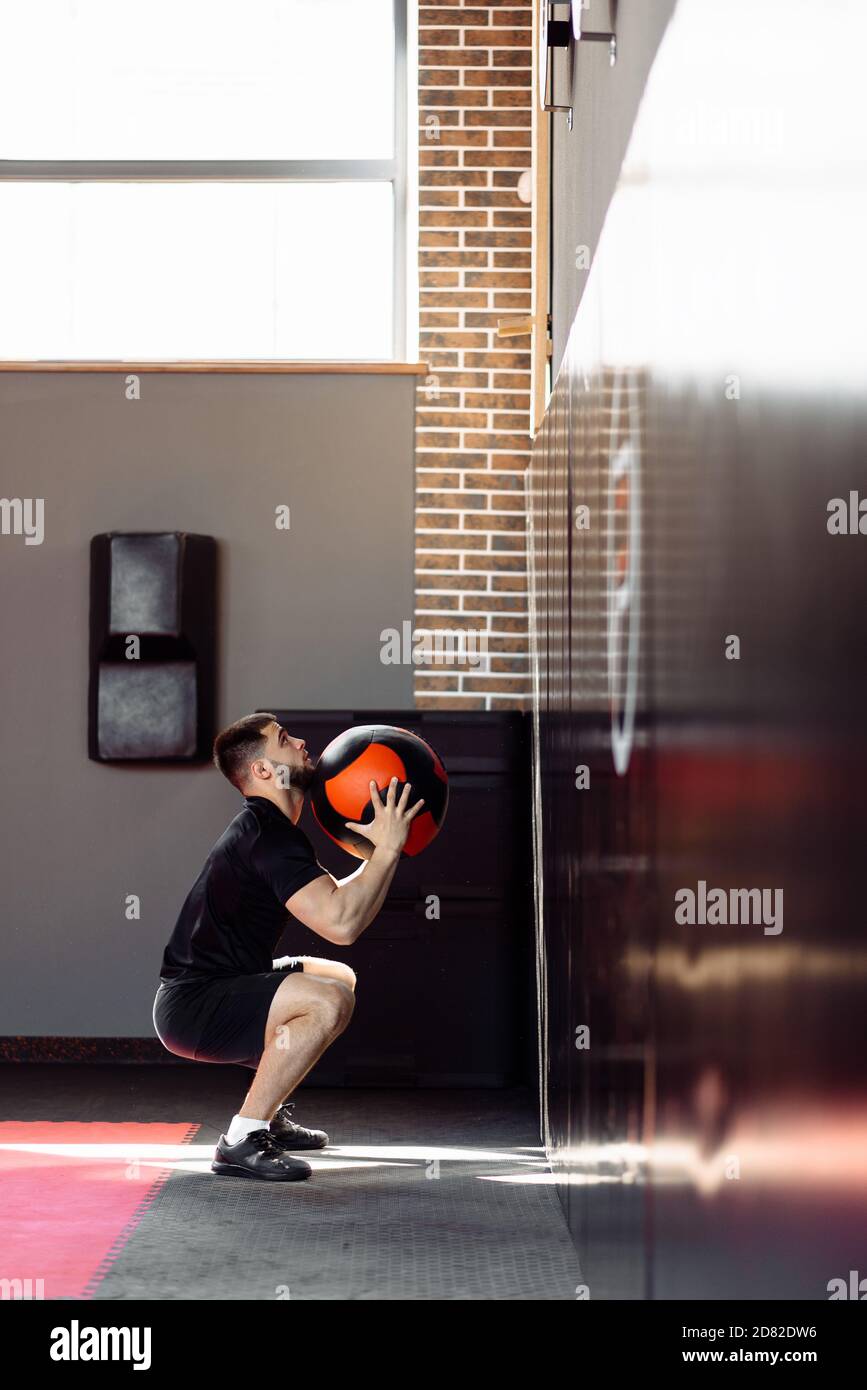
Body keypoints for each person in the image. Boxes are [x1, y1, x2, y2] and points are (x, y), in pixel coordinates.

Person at [152, 712, 424, 1182]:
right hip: (193, 1006)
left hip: (223, 984)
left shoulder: (271, 830)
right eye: (284, 740)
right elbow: (341, 923)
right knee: (328, 1001)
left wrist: (386, 852)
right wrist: (386, 851)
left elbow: (343, 907)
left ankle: (269, 1113)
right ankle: (241, 1137)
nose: (301, 742)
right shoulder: (267, 836)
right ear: (263, 771)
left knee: (340, 979)